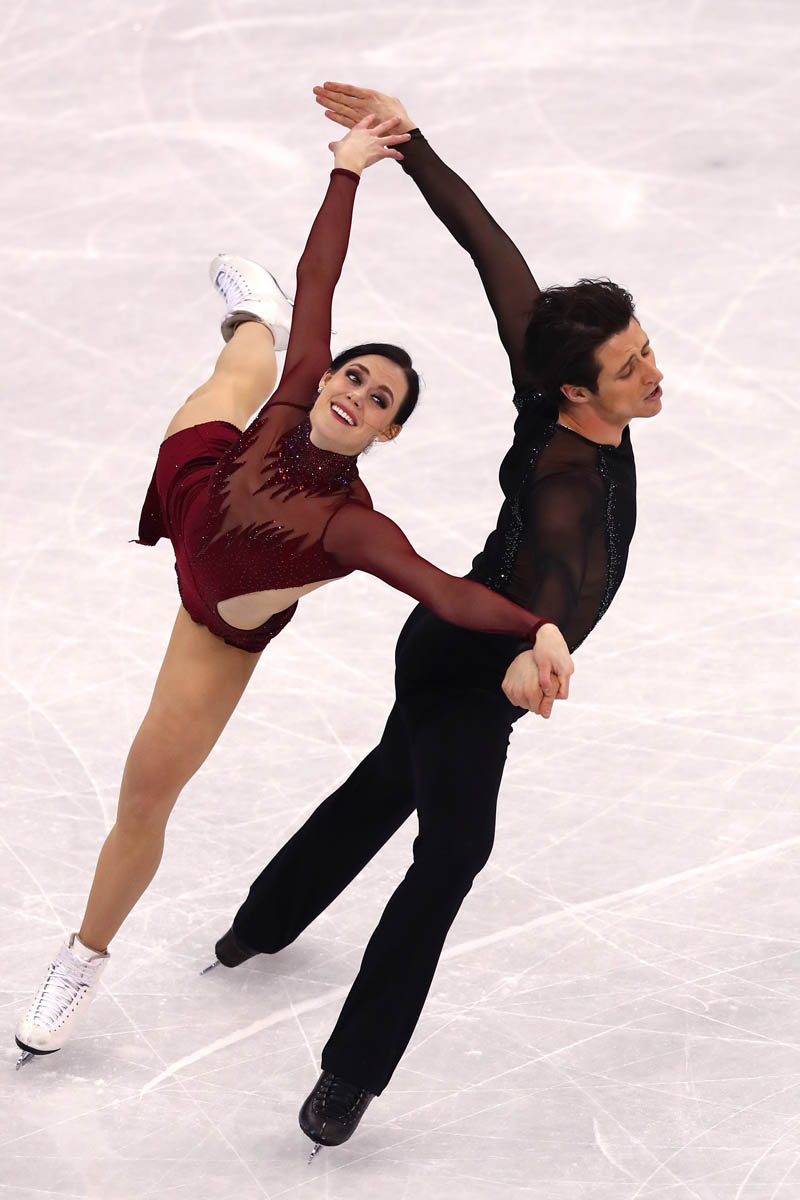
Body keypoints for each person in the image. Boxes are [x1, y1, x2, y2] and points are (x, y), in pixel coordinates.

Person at [14, 115, 573, 1071]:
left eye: (380, 400)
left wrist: (538, 626)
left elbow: (446, 594)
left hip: (214, 625)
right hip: (198, 478)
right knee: (245, 367)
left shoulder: (352, 527)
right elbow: (326, 277)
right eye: (356, 374)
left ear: (388, 433)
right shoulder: (303, 387)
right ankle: (253, 320)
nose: (356, 392)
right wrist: (347, 172)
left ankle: (82, 956)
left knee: (144, 795)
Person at [213, 84, 664, 1154]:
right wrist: (530, 651)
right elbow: (556, 587)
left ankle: (258, 925)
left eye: (644, 348)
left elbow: (488, 248)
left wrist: (410, 145)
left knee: (389, 777)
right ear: (574, 393)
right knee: (452, 850)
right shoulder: (561, 483)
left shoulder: (548, 374)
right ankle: (349, 1076)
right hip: (466, 663)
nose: (654, 374)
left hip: (454, 647)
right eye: (629, 367)